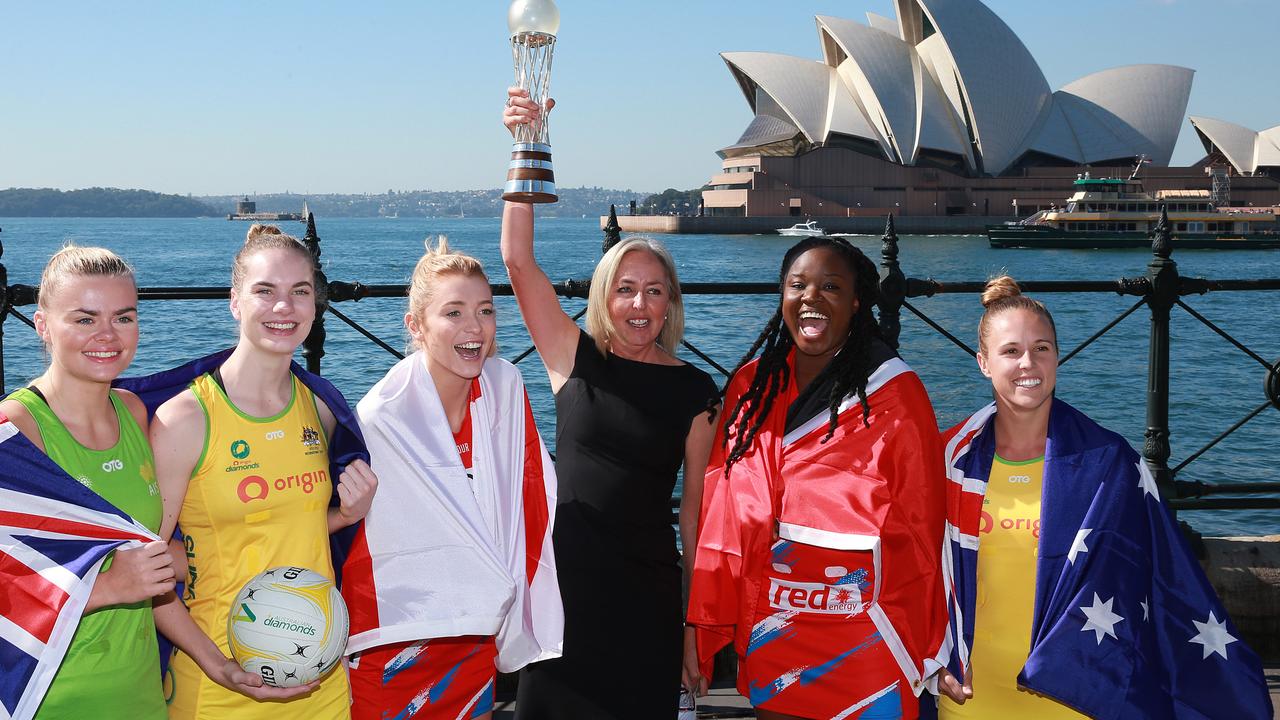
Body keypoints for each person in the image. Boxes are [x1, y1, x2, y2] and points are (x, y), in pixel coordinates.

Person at [935, 276, 1272, 719]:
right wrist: (933, 656)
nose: (1028, 363)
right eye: (1011, 350)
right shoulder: (949, 459)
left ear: (1058, 356)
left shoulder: (1108, 462)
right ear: (983, 362)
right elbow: (919, 571)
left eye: (1042, 348)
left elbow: (1163, 575)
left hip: (1078, 694)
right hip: (971, 695)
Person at [502, 89, 720, 719]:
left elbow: (696, 520)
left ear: (671, 302)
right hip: (561, 595)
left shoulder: (695, 391)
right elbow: (518, 261)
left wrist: (691, 627)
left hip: (646, 599)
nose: (639, 305)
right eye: (625, 289)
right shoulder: (574, 359)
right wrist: (525, 145)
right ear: (605, 295)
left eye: (654, 291)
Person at [687, 236, 948, 720]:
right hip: (774, 627)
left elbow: (924, 528)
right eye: (797, 284)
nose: (811, 296)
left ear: (856, 301)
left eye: (830, 286)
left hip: (865, 634)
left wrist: (931, 641)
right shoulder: (750, 386)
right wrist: (697, 623)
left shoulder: (894, 392)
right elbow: (717, 512)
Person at [149, 225, 378, 719]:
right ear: (235, 301)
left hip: (318, 675)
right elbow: (145, 569)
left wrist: (347, 513)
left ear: (316, 305)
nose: (285, 307)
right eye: (265, 291)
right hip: (220, 681)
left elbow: (286, 527)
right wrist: (217, 666)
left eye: (300, 292)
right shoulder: (186, 419)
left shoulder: (321, 408)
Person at [341, 238, 562, 720]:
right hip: (396, 635)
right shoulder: (382, 416)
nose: (474, 328)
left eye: (485, 311)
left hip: (474, 624)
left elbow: (528, 493)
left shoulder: (504, 388)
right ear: (416, 326)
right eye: (453, 313)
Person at [0, 246, 174, 720]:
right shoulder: (15, 430)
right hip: (47, 698)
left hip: (141, 693)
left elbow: (150, 573)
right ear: (41, 325)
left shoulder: (135, 414)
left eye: (123, 317)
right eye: (83, 319)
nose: (107, 335)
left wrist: (217, 664)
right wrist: (106, 588)